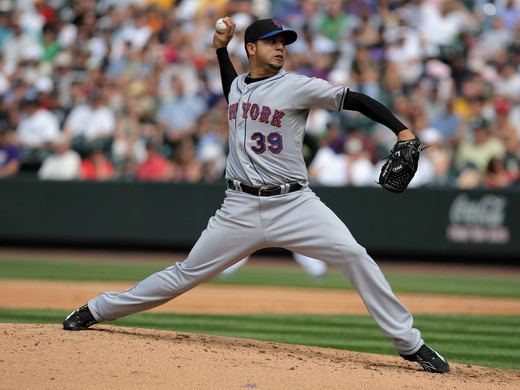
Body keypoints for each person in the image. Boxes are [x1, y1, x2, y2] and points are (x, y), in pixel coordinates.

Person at [63, 18, 449, 374]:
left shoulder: (296, 85)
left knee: (354, 256)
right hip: (239, 208)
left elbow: (357, 100)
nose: (280, 48)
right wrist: (219, 50)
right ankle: (96, 309)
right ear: (251, 48)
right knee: (185, 274)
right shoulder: (237, 87)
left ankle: (409, 344)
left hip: (296, 204)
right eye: (271, 42)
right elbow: (232, 84)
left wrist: (401, 131)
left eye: (284, 43)